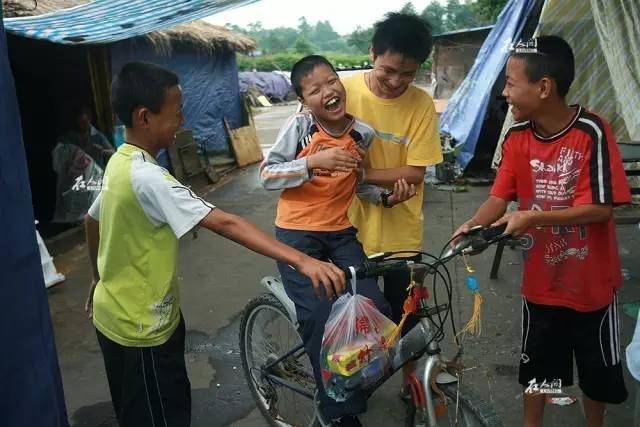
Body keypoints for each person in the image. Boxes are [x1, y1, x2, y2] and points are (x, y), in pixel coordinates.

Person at [83, 61, 346, 427]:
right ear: (145, 117)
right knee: (161, 414)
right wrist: (303, 261)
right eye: (176, 114)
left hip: (114, 317)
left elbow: (90, 220)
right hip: (142, 331)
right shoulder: (148, 178)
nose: (182, 122)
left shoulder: (119, 162)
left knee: (135, 408)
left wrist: (97, 279)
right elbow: (223, 222)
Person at [453, 36, 630, 427]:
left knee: (595, 374)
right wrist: (475, 224)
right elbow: (499, 198)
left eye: (511, 82)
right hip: (542, 283)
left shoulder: (591, 131)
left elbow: (600, 210)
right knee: (541, 370)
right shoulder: (516, 137)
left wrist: (533, 218)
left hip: (592, 286)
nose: (505, 92)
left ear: (544, 87)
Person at [260, 55, 416, 426]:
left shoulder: (362, 133)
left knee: (373, 307)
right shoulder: (300, 128)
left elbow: (357, 183)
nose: (328, 91)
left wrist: (387, 197)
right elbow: (266, 176)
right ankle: (335, 408)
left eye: (332, 81)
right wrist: (313, 162)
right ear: (303, 100)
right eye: (315, 89)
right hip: (297, 235)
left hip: (339, 234)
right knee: (320, 315)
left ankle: (351, 377)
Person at [340, 12, 443, 390]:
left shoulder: (420, 105)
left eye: (408, 74)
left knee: (406, 313)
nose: (396, 82)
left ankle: (411, 385)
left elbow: (415, 173)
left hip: (401, 231)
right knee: (354, 316)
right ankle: (351, 385)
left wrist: (362, 175)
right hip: (345, 228)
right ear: (372, 53)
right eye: (388, 71)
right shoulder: (343, 93)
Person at [59, 104, 115, 169]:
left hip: (97, 172)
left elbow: (113, 152)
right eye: (80, 123)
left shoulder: (97, 135)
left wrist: (102, 151)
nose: (82, 126)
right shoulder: (70, 137)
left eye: (85, 122)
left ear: (89, 120)